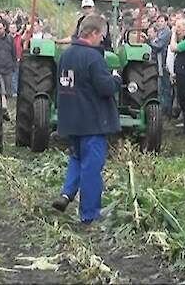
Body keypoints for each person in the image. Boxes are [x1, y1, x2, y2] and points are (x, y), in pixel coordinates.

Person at [51, 15, 122, 224]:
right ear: (92, 34)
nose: (102, 40)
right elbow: (105, 88)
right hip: (92, 120)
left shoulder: (66, 55)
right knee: (92, 168)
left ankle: (66, 194)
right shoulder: (93, 57)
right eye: (101, 35)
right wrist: (116, 79)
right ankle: (89, 215)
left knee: (76, 158)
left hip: (71, 118)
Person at [148, 14, 174, 116]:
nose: (159, 23)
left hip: (164, 62)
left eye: (162, 21)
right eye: (158, 21)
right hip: (160, 62)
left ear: (166, 22)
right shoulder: (160, 32)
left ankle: (166, 110)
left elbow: (158, 45)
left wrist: (150, 41)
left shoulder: (166, 32)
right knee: (162, 87)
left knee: (165, 88)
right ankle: (163, 109)